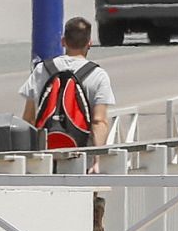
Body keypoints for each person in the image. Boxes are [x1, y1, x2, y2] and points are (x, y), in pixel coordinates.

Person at [19, 17, 116, 165]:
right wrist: (97, 160)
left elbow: (29, 119)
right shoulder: (98, 75)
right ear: (89, 43)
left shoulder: (42, 69)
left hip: (45, 157)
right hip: (81, 158)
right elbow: (99, 121)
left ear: (63, 41)